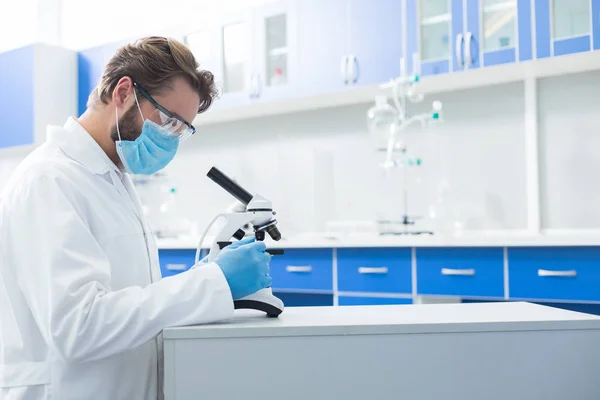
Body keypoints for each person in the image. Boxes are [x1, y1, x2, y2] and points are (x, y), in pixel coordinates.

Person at [0, 36, 273, 400]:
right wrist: (210, 283)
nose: (171, 140)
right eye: (168, 121)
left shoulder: (111, 178)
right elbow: (78, 327)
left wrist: (200, 277)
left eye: (182, 131)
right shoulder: (50, 180)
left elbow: (129, 299)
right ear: (123, 92)